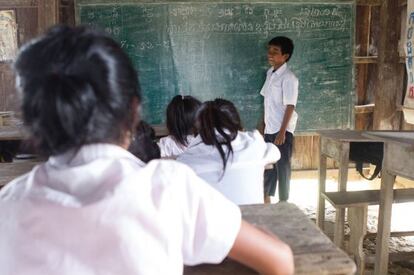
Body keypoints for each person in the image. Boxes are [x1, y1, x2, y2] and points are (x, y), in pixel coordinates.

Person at [0, 25, 294, 275]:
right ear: (133, 111)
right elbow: (280, 260)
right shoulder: (166, 189)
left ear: (35, 120)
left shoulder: (7, 206)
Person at [177, 98, 280, 205]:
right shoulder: (253, 143)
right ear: (236, 121)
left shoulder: (186, 159)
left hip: (211, 220)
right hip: (251, 219)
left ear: (199, 127)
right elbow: (275, 152)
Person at [260, 36, 299, 203]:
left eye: (275, 51)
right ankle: (266, 199)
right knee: (269, 166)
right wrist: (263, 125)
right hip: (270, 127)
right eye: (269, 50)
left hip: (281, 130)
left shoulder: (289, 78)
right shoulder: (270, 73)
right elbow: (267, 101)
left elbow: (290, 106)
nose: (270, 54)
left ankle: (284, 202)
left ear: (285, 56)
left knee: (282, 168)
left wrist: (282, 132)